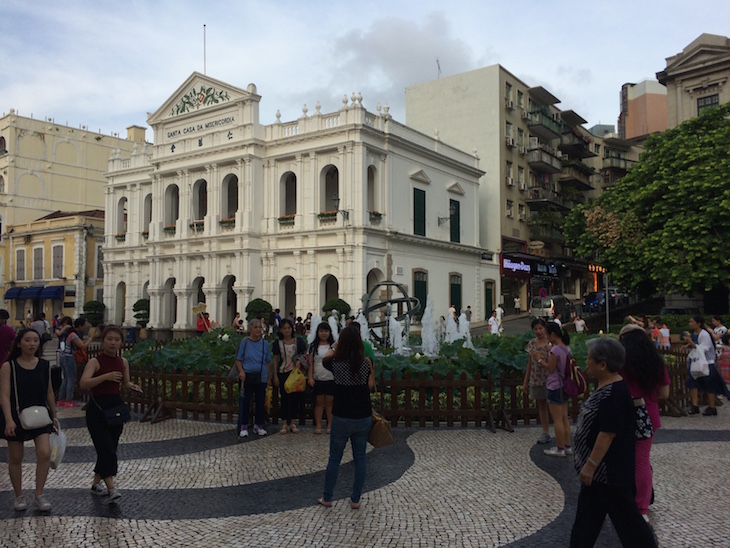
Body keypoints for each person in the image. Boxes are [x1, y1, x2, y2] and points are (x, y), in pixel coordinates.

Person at [571, 337, 658, 547]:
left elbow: (607, 433)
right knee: (586, 521)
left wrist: (590, 466)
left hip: (608, 473)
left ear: (603, 364)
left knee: (630, 523)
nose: (586, 361)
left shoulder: (614, 393)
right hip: (600, 475)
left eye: (590, 358)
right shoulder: (606, 387)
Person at [79, 326, 141, 503]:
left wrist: (132, 387)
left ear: (121, 342)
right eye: (109, 339)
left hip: (115, 408)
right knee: (105, 448)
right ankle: (111, 488)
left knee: (109, 448)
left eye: (116, 339)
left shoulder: (123, 362)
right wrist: (104, 377)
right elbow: (84, 383)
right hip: (97, 409)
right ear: (103, 341)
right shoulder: (95, 362)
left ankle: (96, 484)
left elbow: (125, 382)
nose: (113, 343)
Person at [0, 329, 58, 512]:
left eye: (35, 340)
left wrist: (54, 415)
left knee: (45, 453)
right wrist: (9, 419)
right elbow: (4, 395)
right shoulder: (9, 366)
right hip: (16, 416)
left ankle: (39, 495)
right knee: (16, 458)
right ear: (19, 343)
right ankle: (19, 495)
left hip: (41, 415)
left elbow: (49, 391)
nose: (32, 344)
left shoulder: (44, 365)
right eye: (27, 340)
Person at [317, 325, 374, 509]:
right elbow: (370, 385)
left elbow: (325, 357)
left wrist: (335, 344)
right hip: (363, 416)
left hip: (342, 415)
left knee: (335, 458)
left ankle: (327, 497)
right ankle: (356, 499)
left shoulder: (336, 364)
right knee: (360, 458)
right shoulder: (366, 363)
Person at [618, 324, 670, 521]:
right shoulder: (656, 362)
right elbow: (664, 393)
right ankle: (643, 506)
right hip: (649, 413)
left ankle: (631, 502)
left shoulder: (621, 362)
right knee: (642, 460)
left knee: (625, 459)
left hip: (624, 414)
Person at [683, 315, 730, 415]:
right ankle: (694, 405)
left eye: (692, 322)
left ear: (698, 323)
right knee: (692, 383)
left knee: (709, 385)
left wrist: (690, 342)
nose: (690, 324)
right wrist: (687, 345)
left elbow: (703, 349)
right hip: (696, 362)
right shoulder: (695, 333)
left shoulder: (704, 334)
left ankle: (712, 407)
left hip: (707, 362)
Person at [538, 322, 572, 457]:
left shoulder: (555, 350)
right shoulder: (566, 348)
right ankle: (568, 446)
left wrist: (539, 360)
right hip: (564, 385)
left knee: (557, 419)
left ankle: (559, 448)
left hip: (554, 386)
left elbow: (550, 368)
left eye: (547, 335)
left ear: (552, 334)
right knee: (565, 418)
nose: (546, 338)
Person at [234, 318, 272, 438]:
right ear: (250, 329)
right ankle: (244, 426)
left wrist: (268, 378)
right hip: (246, 377)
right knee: (245, 403)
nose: (258, 330)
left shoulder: (264, 344)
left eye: (260, 327)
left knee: (260, 403)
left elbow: (267, 362)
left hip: (261, 377)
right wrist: (241, 372)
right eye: (255, 327)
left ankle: (259, 425)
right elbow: (238, 359)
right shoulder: (244, 342)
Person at [272, 318, 308, 434]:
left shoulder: (298, 341)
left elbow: (305, 355)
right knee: (284, 398)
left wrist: (299, 361)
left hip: (296, 373)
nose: (287, 330)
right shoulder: (278, 343)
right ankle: (284, 423)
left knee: (295, 399)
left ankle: (292, 422)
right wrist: (275, 375)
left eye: (288, 328)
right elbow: (275, 359)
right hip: (283, 372)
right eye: (284, 328)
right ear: (281, 330)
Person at [524, 318, 552, 444]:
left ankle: (559, 431)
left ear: (545, 328)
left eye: (540, 328)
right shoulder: (532, 344)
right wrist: (526, 382)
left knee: (553, 405)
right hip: (536, 378)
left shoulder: (550, 343)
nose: (538, 331)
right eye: (536, 329)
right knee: (541, 406)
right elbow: (529, 364)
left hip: (550, 378)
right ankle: (545, 432)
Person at [308, 322, 336, 434]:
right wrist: (310, 377)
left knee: (330, 403)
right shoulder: (313, 347)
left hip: (331, 378)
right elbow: (310, 363)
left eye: (326, 331)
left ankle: (330, 424)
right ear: (317, 332)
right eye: (321, 331)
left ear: (329, 332)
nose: (324, 333)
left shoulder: (333, 346)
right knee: (319, 402)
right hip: (318, 378)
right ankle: (318, 425)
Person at [57, 317, 91, 408]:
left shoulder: (67, 333)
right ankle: (69, 401)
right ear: (80, 326)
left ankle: (61, 400)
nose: (84, 328)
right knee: (71, 379)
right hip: (69, 357)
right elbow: (83, 346)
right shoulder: (73, 334)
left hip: (63, 356)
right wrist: (91, 338)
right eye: (84, 326)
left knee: (65, 379)